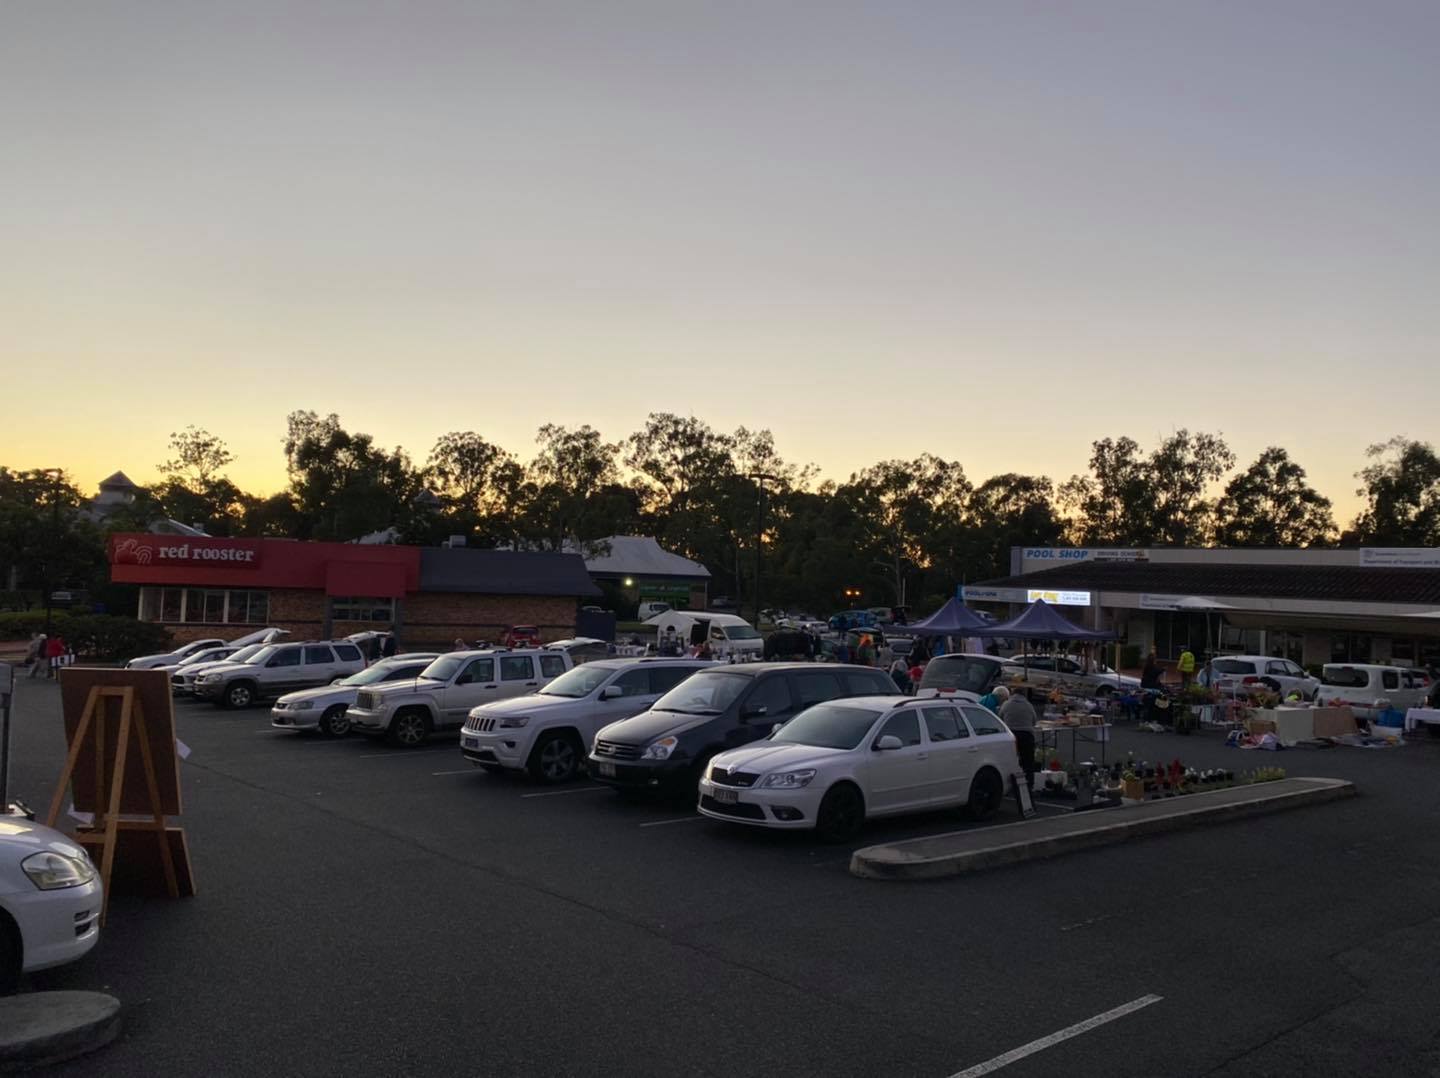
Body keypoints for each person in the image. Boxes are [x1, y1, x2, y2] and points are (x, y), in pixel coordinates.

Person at [1000, 687, 1038, 781]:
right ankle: (1029, 784)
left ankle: (1010, 783)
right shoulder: (1028, 705)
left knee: (1010, 760)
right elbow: (1034, 720)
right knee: (1028, 762)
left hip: (1011, 736)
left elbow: (1000, 718)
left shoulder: (1006, 704)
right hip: (1026, 736)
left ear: (1012, 694)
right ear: (1023, 695)